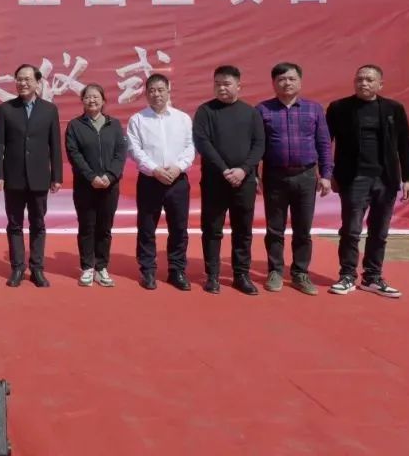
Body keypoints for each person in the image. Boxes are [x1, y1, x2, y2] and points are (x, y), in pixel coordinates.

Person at [326, 65, 409, 298]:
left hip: (386, 179)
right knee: (351, 230)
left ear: (380, 84)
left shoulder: (393, 109)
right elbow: (325, 142)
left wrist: (408, 177)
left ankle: (373, 277)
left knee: (380, 231)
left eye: (369, 80)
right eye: (359, 79)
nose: (363, 83)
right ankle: (347, 275)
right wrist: (328, 173)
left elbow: (405, 144)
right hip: (354, 178)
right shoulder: (339, 108)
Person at [256, 62, 333, 296]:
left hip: (306, 176)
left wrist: (326, 175)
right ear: (273, 83)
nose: (286, 83)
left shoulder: (313, 109)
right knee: (274, 228)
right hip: (275, 176)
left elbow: (323, 143)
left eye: (291, 78)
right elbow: (256, 145)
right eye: (281, 79)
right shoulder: (262, 110)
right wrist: (254, 175)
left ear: (300, 81)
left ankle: (300, 273)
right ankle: (275, 271)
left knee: (303, 228)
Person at [192, 65, 265, 295]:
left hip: (244, 182)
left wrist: (243, 170)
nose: (221, 88)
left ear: (238, 86)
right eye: (217, 84)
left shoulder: (251, 113)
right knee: (212, 229)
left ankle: (241, 275)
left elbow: (259, 144)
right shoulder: (205, 111)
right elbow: (203, 143)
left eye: (226, 84)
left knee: (242, 230)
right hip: (215, 181)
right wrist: (225, 170)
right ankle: (212, 275)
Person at [0, 64, 62, 288]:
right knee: (14, 224)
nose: (22, 83)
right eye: (19, 79)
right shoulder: (6, 109)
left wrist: (57, 176)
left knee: (38, 223)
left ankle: (37, 268)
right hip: (13, 176)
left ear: (37, 82)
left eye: (27, 79)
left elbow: (55, 146)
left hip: (40, 177)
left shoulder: (49, 110)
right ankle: (17, 268)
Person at [126, 73, 195, 291]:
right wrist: (154, 170)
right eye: (152, 90)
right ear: (146, 94)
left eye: (160, 90)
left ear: (168, 90)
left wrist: (178, 167)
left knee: (179, 228)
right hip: (150, 180)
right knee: (147, 227)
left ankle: (177, 270)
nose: (156, 94)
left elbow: (190, 146)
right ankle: (147, 270)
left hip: (177, 180)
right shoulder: (137, 120)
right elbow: (134, 149)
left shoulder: (183, 118)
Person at [64, 83, 127, 287]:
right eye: (88, 97)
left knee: (105, 227)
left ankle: (101, 267)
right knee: (87, 226)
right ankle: (87, 267)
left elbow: (120, 153)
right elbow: (74, 154)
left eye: (95, 97)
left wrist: (110, 176)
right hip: (85, 186)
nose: (92, 100)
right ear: (82, 101)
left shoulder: (114, 125)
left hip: (110, 186)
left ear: (103, 100)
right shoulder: (75, 125)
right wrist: (91, 177)